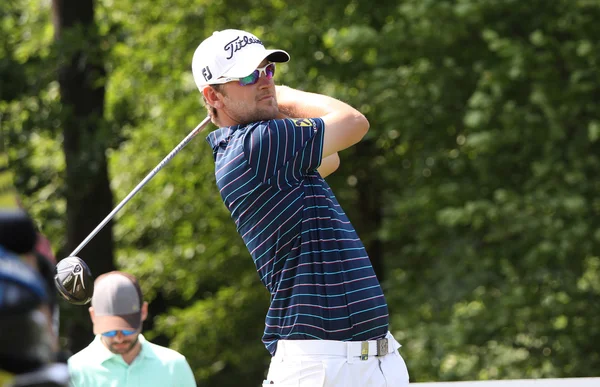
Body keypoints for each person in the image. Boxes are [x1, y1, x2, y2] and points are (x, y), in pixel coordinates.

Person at [191, 29, 410, 386]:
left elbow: (332, 159)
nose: (264, 82)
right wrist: (288, 98)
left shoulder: (252, 149)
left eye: (268, 72)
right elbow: (353, 122)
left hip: (372, 360)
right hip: (321, 364)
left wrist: (270, 104)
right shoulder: (258, 144)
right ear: (213, 95)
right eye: (248, 76)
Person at [67, 271, 196, 387]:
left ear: (144, 311)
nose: (118, 338)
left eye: (127, 329)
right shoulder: (74, 370)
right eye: (109, 331)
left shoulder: (174, 365)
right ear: (93, 316)